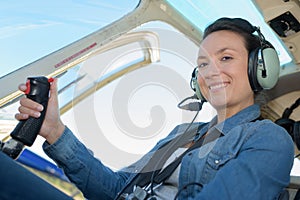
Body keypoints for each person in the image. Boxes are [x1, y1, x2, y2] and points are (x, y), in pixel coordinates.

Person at [2, 17, 295, 200]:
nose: (210, 72)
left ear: (260, 68)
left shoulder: (269, 140)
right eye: (203, 64)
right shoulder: (184, 134)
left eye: (226, 58)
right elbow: (116, 189)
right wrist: (55, 130)